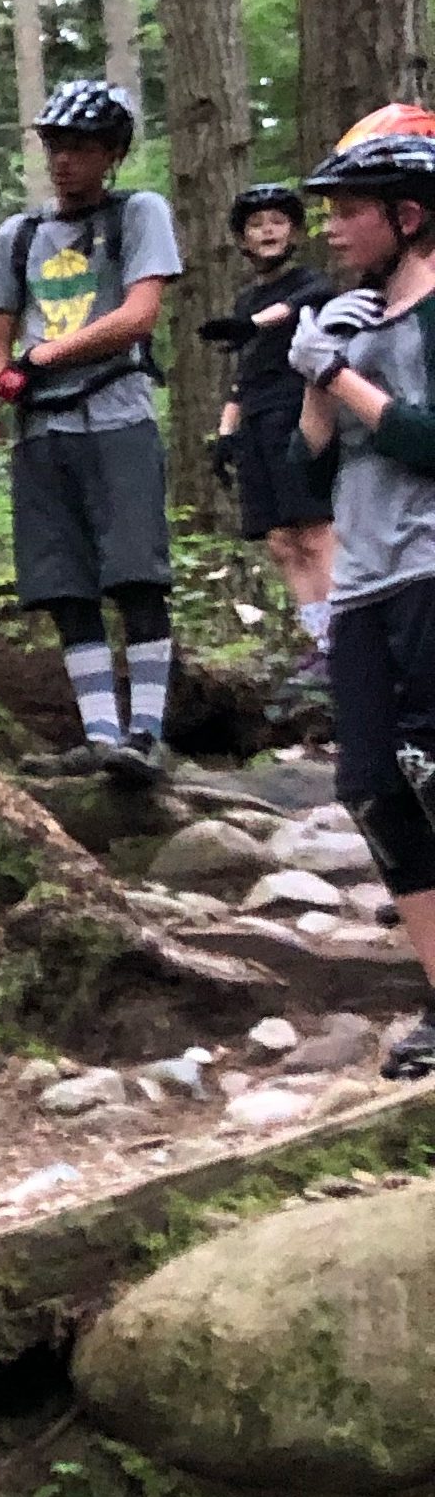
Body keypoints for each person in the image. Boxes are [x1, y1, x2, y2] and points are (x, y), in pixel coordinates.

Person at [0, 80, 182, 782]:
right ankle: (100, 736)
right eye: (56, 146)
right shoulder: (19, 234)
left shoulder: (138, 213)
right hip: (41, 432)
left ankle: (147, 734)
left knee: (137, 575)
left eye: (82, 149)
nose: (64, 162)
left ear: (113, 154)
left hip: (117, 415)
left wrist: (45, 357)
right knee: (65, 585)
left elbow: (138, 315)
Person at [289, 108, 435, 1077]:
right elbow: (303, 474)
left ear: (410, 214)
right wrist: (312, 377)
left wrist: (339, 375)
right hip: (362, 588)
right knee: (375, 789)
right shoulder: (356, 319)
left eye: (349, 210)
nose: (331, 228)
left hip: (431, 571)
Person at [198, 183, 338, 682]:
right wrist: (225, 433)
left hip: (300, 413)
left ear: (294, 231)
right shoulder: (246, 299)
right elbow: (243, 374)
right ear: (243, 240)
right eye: (256, 225)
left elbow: (303, 305)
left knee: (315, 530)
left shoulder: (310, 283)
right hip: (256, 418)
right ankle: (320, 640)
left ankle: (345, 642)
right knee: (280, 540)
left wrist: (253, 323)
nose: (267, 231)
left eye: (277, 221)